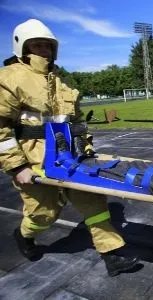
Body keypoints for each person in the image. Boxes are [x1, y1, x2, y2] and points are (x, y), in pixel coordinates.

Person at [0, 19, 139, 277]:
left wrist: (86, 148)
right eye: (36, 45)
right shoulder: (8, 79)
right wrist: (17, 166)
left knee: (93, 200)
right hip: (34, 160)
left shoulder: (60, 82)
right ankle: (24, 235)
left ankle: (112, 255)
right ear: (22, 47)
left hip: (70, 157)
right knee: (44, 213)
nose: (44, 50)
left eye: (48, 46)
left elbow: (76, 123)